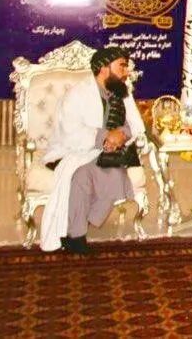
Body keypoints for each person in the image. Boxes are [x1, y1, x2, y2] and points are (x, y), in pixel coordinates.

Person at [39, 46, 145, 254]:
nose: (126, 72)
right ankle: (76, 235)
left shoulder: (122, 92)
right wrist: (105, 136)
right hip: (74, 150)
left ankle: (78, 226)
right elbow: (71, 132)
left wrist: (121, 135)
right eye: (122, 66)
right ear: (104, 68)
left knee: (114, 174)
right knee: (83, 176)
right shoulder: (78, 94)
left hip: (111, 152)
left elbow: (135, 125)